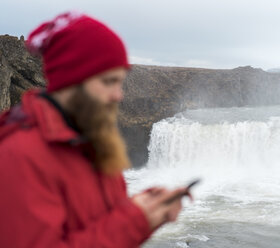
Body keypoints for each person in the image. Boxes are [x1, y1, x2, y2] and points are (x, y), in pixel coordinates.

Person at [0, 11, 189, 247]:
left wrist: (144, 209)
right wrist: (134, 220)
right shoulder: (20, 156)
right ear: (72, 80)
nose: (119, 95)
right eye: (109, 82)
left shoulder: (90, 140)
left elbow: (99, 224)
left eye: (120, 82)